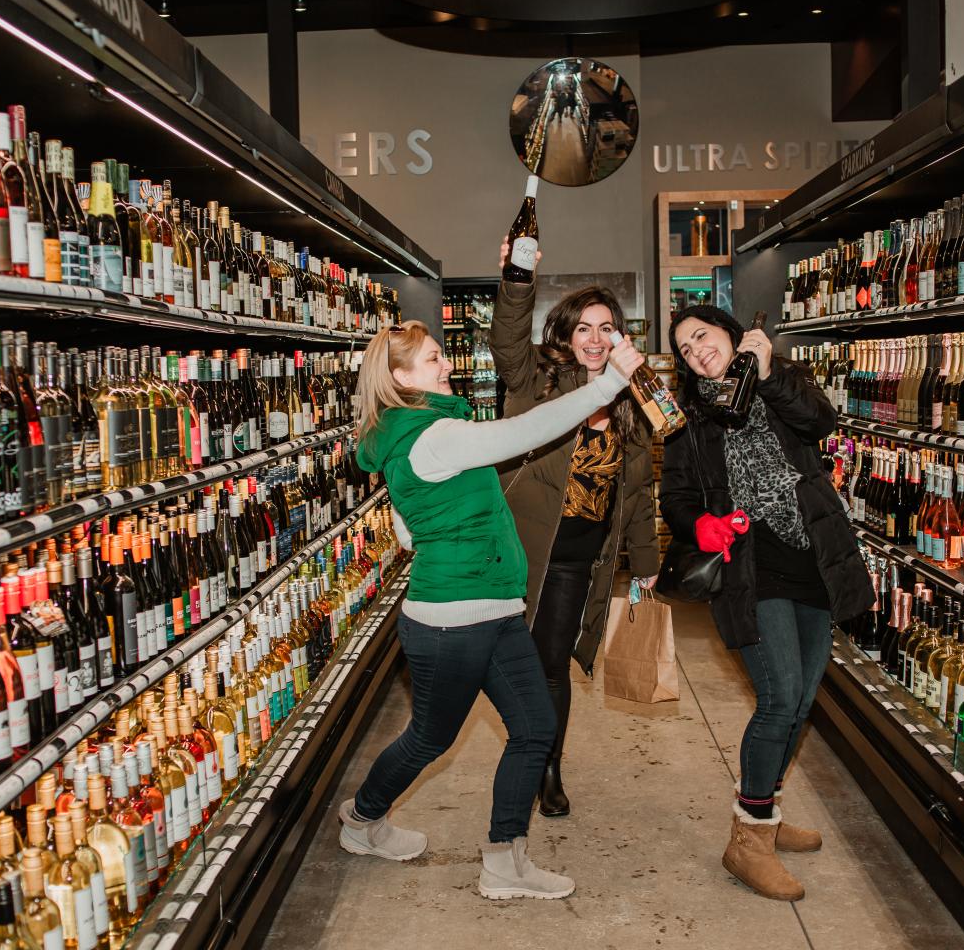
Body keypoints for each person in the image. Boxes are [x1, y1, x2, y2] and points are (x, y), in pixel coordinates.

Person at [340, 319, 645, 900]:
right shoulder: (435, 435)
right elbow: (526, 431)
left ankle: (505, 860)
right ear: (403, 378)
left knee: (534, 727)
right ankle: (362, 820)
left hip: (491, 610)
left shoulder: (408, 439)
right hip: (453, 621)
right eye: (433, 360)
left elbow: (407, 535)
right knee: (431, 739)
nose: (446, 365)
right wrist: (605, 386)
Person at [659, 306, 871, 902]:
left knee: (804, 698)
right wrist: (699, 524)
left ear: (731, 333)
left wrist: (768, 370)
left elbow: (819, 423)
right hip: (752, 571)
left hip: (814, 560)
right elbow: (674, 496)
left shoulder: (784, 381)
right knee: (779, 698)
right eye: (684, 347)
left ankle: (764, 813)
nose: (696, 350)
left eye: (702, 335)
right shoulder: (688, 419)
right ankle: (748, 839)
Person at [489, 241, 659, 818]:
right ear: (564, 334)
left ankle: (547, 764)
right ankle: (527, 748)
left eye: (605, 327)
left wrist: (648, 563)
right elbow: (507, 339)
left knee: (552, 665)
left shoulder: (634, 401)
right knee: (507, 665)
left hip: (576, 562)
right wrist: (517, 280)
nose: (593, 338)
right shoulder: (535, 380)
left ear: (619, 339)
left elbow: (636, 492)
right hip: (520, 551)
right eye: (582, 327)